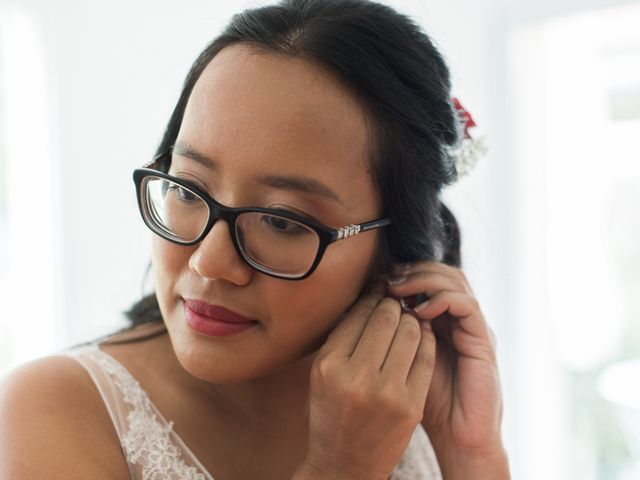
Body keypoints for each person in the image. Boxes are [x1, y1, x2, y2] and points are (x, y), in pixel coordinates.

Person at [0, 0, 510, 478]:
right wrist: (340, 468)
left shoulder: (402, 405)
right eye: (189, 190)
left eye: (282, 220)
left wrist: (470, 451)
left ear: (392, 250)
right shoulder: (50, 409)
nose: (210, 262)